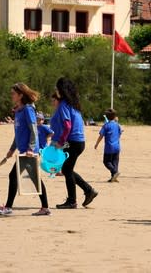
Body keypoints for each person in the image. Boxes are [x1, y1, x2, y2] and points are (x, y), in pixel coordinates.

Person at [0, 83, 50, 216]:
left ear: (21, 95)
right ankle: (45, 208)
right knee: (33, 178)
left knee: (15, 176)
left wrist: (31, 148)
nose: (11, 95)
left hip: (29, 151)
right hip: (23, 150)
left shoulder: (28, 109)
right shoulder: (18, 111)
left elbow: (33, 130)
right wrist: (12, 149)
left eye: (13, 93)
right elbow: (18, 133)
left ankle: (8, 207)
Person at [50, 77, 98, 209]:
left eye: (57, 87)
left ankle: (72, 200)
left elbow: (67, 126)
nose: (56, 90)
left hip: (72, 141)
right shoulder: (73, 104)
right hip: (79, 141)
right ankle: (88, 191)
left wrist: (61, 142)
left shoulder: (64, 105)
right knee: (67, 169)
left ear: (62, 89)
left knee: (66, 169)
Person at [94, 108, 122, 183]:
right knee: (115, 162)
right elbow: (120, 133)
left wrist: (97, 144)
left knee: (106, 161)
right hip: (117, 147)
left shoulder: (106, 126)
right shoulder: (118, 125)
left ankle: (115, 172)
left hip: (109, 147)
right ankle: (113, 177)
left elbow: (101, 135)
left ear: (107, 116)